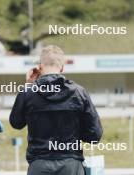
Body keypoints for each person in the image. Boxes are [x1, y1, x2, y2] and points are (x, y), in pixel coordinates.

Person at [9, 45, 103, 175]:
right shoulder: (79, 92)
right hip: (71, 164)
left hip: (39, 165)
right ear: (62, 67)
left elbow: (16, 123)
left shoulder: (28, 92)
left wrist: (28, 85)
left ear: (40, 67)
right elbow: (95, 135)